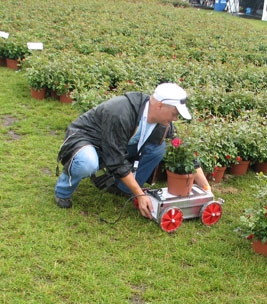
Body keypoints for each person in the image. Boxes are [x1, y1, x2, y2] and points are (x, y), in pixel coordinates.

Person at [53, 83, 212, 219]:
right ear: (160, 105)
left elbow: (182, 148)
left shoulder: (163, 122)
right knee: (87, 162)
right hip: (88, 140)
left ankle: (122, 188)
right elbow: (116, 159)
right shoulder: (120, 112)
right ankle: (63, 190)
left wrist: (206, 189)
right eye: (174, 113)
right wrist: (141, 195)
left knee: (159, 148)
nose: (175, 119)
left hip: (117, 143)